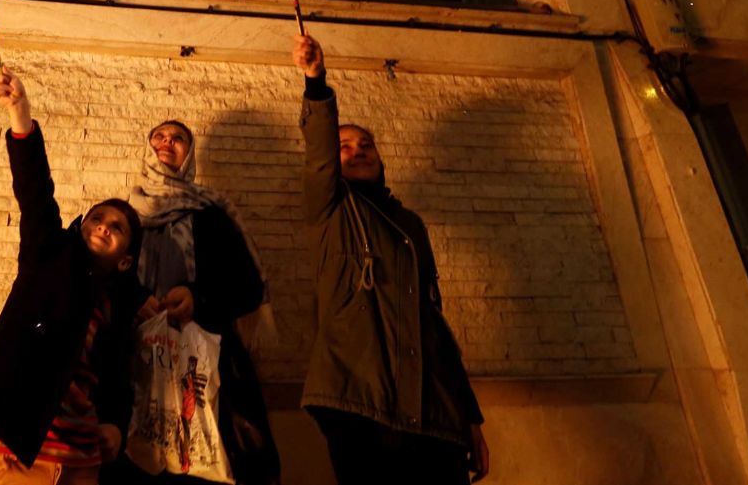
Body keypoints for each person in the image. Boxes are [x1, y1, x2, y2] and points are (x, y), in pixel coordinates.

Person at [292, 35, 490, 484]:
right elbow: (319, 156)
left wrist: (469, 419)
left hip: (433, 413)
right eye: (345, 145)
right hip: (359, 402)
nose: (357, 150)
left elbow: (432, 321)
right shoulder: (329, 210)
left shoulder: (409, 225)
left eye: (367, 145)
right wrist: (316, 83)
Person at [0, 67, 149, 485]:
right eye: (98, 218)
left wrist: (116, 425)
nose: (104, 226)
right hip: (16, 453)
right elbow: (35, 190)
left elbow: (117, 377)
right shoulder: (48, 255)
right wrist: (20, 115)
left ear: (126, 259)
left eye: (118, 227)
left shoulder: (117, 307)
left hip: (81, 460)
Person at [108, 120, 281, 485]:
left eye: (178, 138)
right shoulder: (120, 217)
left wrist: (196, 298)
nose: (167, 142)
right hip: (131, 370)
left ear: (190, 154)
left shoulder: (212, 214)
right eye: (159, 135)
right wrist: (135, 302)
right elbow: (101, 283)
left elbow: (247, 287)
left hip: (206, 373)